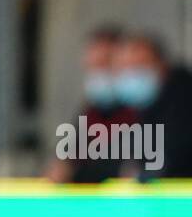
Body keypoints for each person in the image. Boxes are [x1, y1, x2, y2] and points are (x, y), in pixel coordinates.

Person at [113, 32, 192, 179]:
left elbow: (176, 155)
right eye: (126, 68)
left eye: (140, 67)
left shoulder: (187, 96)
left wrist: (141, 174)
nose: (132, 75)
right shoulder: (143, 106)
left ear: (161, 64)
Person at [47, 25, 134, 183]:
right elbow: (62, 165)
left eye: (105, 63)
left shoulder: (142, 112)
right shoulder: (92, 111)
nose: (98, 73)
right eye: (92, 66)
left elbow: (127, 170)